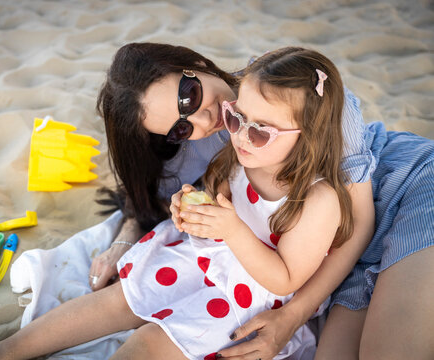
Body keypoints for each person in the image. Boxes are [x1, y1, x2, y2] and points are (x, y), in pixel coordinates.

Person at [0, 46, 354, 360]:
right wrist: (191, 208)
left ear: (310, 135)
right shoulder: (241, 154)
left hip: (249, 293)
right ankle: (6, 351)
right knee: (119, 300)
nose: (236, 133)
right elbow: (215, 195)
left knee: (148, 344)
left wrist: (233, 230)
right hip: (208, 255)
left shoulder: (318, 199)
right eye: (237, 117)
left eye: (258, 129)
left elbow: (284, 278)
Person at [92, 43, 433, 359]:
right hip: (325, 239)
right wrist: (129, 231)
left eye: (190, 95)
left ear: (196, 65)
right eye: (179, 128)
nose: (206, 120)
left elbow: (359, 223)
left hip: (403, 189)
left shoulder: (295, 92)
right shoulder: (193, 141)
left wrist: (290, 317)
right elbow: (150, 192)